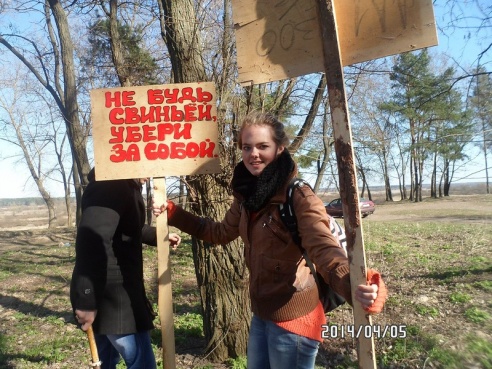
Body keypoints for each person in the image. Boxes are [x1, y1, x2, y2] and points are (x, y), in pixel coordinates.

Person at [154, 111, 387, 369]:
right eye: (247, 147)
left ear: (279, 149)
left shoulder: (297, 195)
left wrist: (354, 284)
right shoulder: (246, 196)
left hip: (294, 320)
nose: (253, 153)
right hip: (261, 314)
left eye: (262, 146)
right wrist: (173, 213)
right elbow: (218, 233)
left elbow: (323, 248)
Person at [70, 168, 181, 369]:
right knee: (142, 364)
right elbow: (91, 242)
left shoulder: (125, 185)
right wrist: (86, 300)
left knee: (109, 363)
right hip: (114, 300)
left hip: (111, 297)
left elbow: (128, 227)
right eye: (148, 165)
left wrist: (159, 235)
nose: (151, 172)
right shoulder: (111, 184)